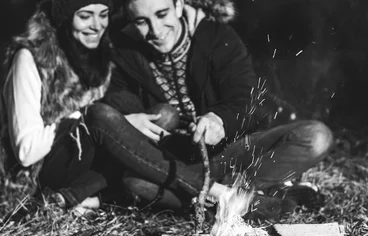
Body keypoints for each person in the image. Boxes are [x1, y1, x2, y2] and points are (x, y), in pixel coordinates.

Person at [85, 0, 334, 221]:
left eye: (162, 14)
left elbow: (244, 97)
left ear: (179, 6)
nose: (156, 31)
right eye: (141, 21)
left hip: (230, 154)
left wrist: (220, 119)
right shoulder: (124, 52)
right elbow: (115, 107)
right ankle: (258, 197)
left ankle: (221, 196)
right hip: (175, 166)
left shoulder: (216, 37)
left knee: (315, 136)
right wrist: (128, 120)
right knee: (135, 182)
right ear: (130, 20)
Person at [0, 0, 116, 212]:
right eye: (85, 16)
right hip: (35, 172)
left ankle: (83, 199)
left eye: (103, 15)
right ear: (64, 18)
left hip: (83, 160)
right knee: (103, 118)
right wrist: (86, 119)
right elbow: (26, 151)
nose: (97, 25)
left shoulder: (102, 56)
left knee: (131, 111)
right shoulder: (31, 58)